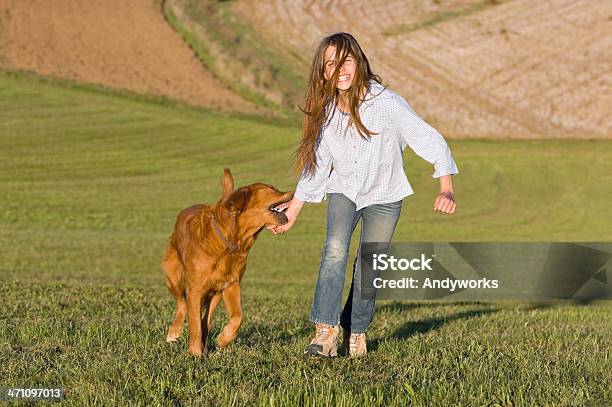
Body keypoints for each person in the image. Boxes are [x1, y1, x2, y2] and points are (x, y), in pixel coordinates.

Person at [267, 32, 458, 358]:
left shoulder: (387, 103)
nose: (340, 69)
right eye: (331, 63)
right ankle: (325, 332)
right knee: (335, 251)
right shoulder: (326, 111)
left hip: (385, 195)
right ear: (323, 71)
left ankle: (356, 331)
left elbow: (427, 137)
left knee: (370, 265)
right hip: (344, 190)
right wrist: (294, 210)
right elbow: (318, 165)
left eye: (346, 61)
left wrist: (447, 188)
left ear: (358, 62)